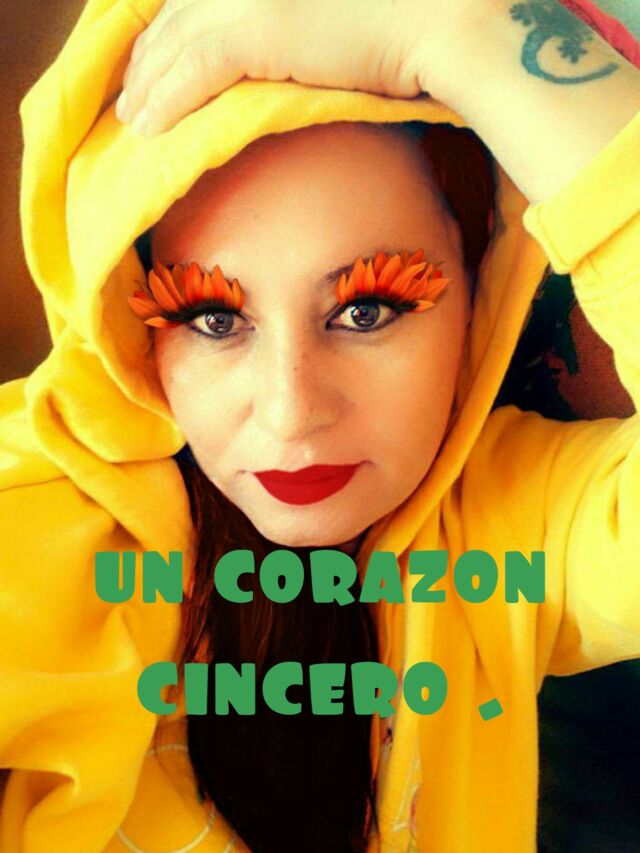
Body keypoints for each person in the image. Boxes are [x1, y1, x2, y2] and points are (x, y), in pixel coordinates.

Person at [0, 1, 639, 851]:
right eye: (212, 319)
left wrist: (460, 37)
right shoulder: (34, 520)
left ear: (479, 290)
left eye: (367, 310)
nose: (291, 410)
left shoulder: (511, 527)